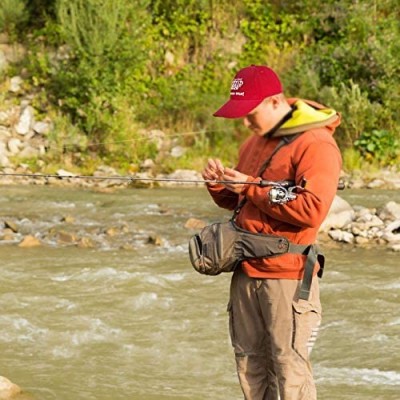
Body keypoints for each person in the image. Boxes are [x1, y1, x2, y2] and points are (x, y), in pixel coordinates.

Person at [201, 65, 342, 400]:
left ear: (277, 102)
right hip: (246, 272)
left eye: (250, 114)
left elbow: (311, 208)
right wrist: (219, 185)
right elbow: (242, 202)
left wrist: (249, 187)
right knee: (250, 365)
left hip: (288, 276)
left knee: (289, 370)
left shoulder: (316, 144)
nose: (245, 123)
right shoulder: (254, 143)